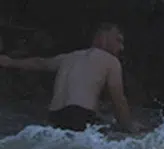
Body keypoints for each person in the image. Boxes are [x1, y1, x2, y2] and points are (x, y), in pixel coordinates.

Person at [0, 22, 138, 132]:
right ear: (103, 37)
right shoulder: (111, 61)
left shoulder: (68, 57)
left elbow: (40, 62)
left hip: (54, 116)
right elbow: (118, 99)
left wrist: (10, 62)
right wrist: (129, 126)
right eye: (118, 40)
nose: (122, 47)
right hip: (80, 116)